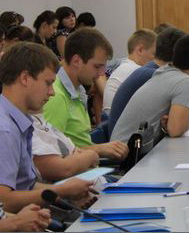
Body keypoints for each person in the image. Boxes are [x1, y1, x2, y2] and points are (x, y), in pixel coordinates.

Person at [0, 42, 93, 214]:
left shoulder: (18, 120)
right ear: (25, 78)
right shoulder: (4, 130)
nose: (52, 92)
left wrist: (65, 192)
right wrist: (61, 191)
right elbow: (3, 202)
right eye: (48, 83)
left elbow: (25, 186)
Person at [110, 34, 189, 155]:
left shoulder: (166, 70)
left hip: (125, 147)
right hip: (126, 154)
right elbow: (176, 130)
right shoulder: (184, 81)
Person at [42, 28, 128, 160]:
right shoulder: (56, 96)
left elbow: (77, 144)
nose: (101, 74)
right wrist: (99, 149)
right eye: (97, 67)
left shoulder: (78, 90)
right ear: (76, 61)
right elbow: (51, 153)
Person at [108, 27, 185, 139]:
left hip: (128, 137)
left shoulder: (149, 70)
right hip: (125, 143)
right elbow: (185, 119)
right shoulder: (153, 74)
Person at [102, 29, 157, 112]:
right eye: (154, 54)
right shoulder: (135, 71)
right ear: (140, 50)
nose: (156, 59)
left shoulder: (124, 67)